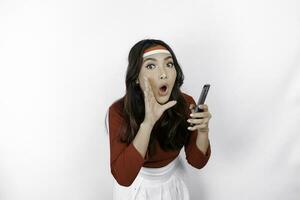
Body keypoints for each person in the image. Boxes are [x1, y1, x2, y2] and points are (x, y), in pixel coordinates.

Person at [105, 39, 212, 200]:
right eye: (150, 66)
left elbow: (198, 162)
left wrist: (203, 131)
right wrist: (148, 122)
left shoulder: (185, 104)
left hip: (174, 182)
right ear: (135, 77)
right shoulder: (119, 111)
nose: (164, 73)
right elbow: (124, 177)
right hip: (137, 187)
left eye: (169, 64)